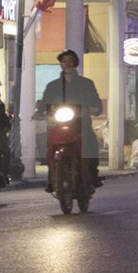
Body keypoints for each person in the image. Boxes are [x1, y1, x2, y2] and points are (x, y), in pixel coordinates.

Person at [41, 49, 104, 191]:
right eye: (64, 61)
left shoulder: (86, 84)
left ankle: (93, 175)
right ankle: (52, 178)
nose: (67, 64)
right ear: (60, 64)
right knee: (50, 148)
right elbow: (44, 104)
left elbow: (96, 105)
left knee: (91, 145)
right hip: (58, 124)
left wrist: (90, 110)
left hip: (81, 124)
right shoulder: (53, 86)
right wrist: (42, 112)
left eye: (70, 61)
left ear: (76, 63)